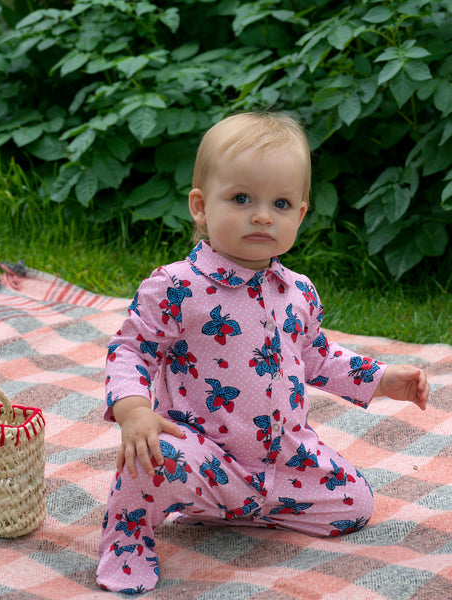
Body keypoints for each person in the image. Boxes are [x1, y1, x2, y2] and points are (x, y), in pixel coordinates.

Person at [96, 112, 430, 594]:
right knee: (151, 454)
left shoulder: (298, 291)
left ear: (300, 214)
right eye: (241, 199)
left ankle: (235, 509)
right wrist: (133, 410)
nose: (261, 215)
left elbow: (317, 357)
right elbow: (131, 349)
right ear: (200, 206)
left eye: (280, 203)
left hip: (284, 457)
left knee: (355, 503)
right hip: (204, 452)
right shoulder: (176, 287)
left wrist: (380, 379)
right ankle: (128, 539)